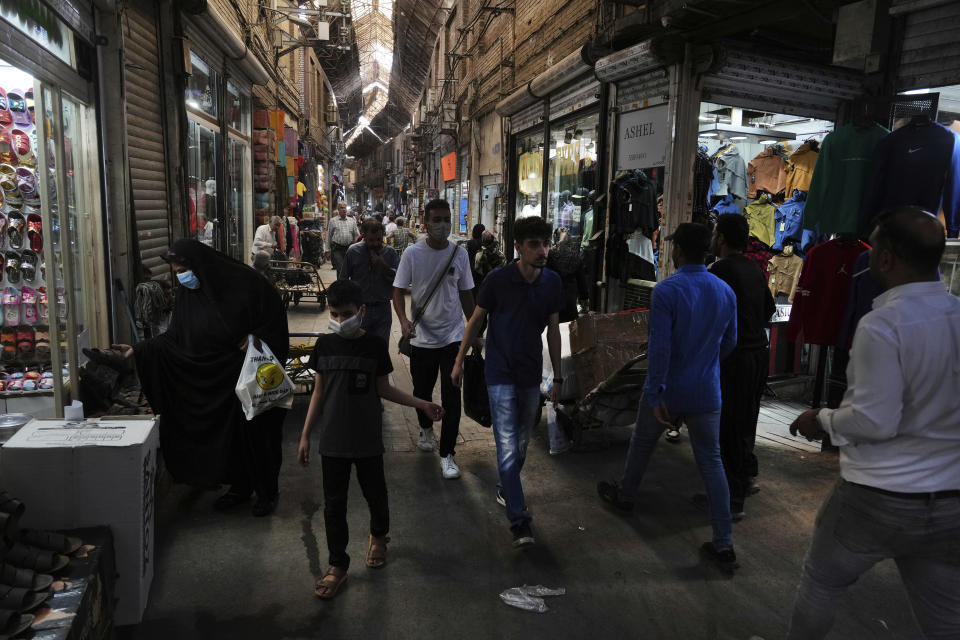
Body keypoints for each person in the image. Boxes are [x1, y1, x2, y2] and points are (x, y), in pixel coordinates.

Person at [787, 208, 960, 639]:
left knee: (821, 581)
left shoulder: (883, 324)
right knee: (945, 615)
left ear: (885, 260)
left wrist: (820, 419)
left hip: (878, 498)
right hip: (949, 502)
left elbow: (873, 420)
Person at [596, 223, 739, 572]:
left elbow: (660, 348)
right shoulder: (724, 291)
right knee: (711, 462)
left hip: (670, 388)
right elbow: (730, 342)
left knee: (642, 443)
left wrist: (655, 390)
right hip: (707, 391)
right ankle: (724, 544)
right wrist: (705, 366)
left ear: (678, 251)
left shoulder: (667, 291)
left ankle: (626, 496)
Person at [114, 239, 289, 516]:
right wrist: (138, 350)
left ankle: (267, 492)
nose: (178, 273)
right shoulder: (187, 292)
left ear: (200, 263)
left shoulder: (245, 282)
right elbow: (176, 337)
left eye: (182, 266)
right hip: (216, 380)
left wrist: (258, 337)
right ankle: (239, 488)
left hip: (248, 374)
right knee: (230, 441)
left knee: (258, 437)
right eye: (174, 268)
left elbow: (275, 319)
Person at [298, 280, 444, 600]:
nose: (339, 321)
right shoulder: (325, 346)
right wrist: (306, 435)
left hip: (367, 441)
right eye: (334, 314)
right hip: (333, 442)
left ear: (361, 312)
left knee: (375, 493)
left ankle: (378, 536)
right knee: (334, 506)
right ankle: (337, 565)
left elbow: (385, 389)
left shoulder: (375, 346)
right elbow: (319, 393)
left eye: (346, 314)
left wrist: (422, 403)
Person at [452, 216, 563, 548]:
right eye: (534, 244)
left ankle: (506, 484)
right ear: (518, 247)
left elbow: (554, 331)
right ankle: (519, 519)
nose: (542, 250)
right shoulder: (498, 280)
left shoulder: (553, 282)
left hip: (531, 375)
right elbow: (475, 320)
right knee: (506, 444)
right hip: (499, 373)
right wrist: (459, 361)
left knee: (522, 443)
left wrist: (558, 376)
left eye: (545, 244)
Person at [392, 199, 476, 479]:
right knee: (422, 393)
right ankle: (426, 429)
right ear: (425, 222)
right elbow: (397, 291)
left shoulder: (459, 255)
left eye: (446, 219)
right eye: (436, 219)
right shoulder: (412, 255)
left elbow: (466, 295)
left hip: (452, 338)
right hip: (421, 340)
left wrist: (473, 333)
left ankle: (448, 454)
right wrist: (404, 322)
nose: (442, 225)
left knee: (452, 397)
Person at [707, 214, 775, 520]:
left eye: (714, 232)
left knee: (729, 426)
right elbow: (768, 311)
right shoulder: (753, 267)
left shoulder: (719, 271)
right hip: (759, 354)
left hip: (736, 357)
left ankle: (731, 500)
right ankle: (744, 479)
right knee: (747, 419)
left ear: (720, 238)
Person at [339, 219, 400, 343]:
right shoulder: (353, 251)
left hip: (383, 309)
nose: (375, 244)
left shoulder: (390, 253)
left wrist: (383, 266)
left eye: (378, 239)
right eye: (371, 240)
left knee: (381, 347)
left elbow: (400, 280)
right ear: (364, 236)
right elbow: (343, 280)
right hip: (360, 309)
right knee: (360, 348)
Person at [545, 227, 589, 322]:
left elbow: (545, 275)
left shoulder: (551, 253)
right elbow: (581, 279)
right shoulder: (576, 254)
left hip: (553, 297)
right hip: (570, 298)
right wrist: (584, 297)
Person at [325, 202, 360, 274]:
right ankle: (341, 284)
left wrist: (359, 247)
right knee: (341, 269)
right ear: (338, 209)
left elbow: (357, 235)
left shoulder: (352, 221)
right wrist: (327, 250)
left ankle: (347, 284)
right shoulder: (333, 221)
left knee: (350, 269)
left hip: (349, 248)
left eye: (345, 208)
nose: (344, 210)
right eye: (341, 208)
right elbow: (329, 236)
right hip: (337, 249)